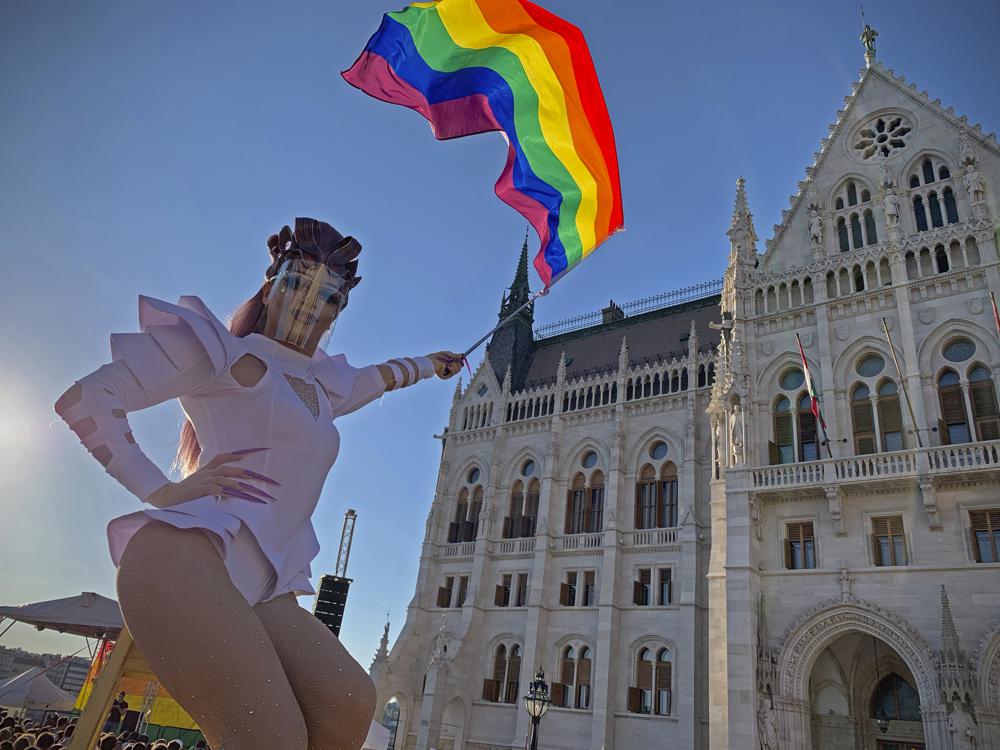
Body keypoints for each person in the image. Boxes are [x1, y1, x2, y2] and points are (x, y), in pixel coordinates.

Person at [55, 218, 463, 750]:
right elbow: (86, 400)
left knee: (349, 704)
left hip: (265, 584)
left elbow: (384, 375)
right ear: (270, 287)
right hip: (187, 559)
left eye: (330, 298)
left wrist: (434, 365)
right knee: (271, 737)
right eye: (298, 283)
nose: (310, 304)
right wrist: (161, 489)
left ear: (339, 311)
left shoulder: (325, 387)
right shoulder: (223, 352)